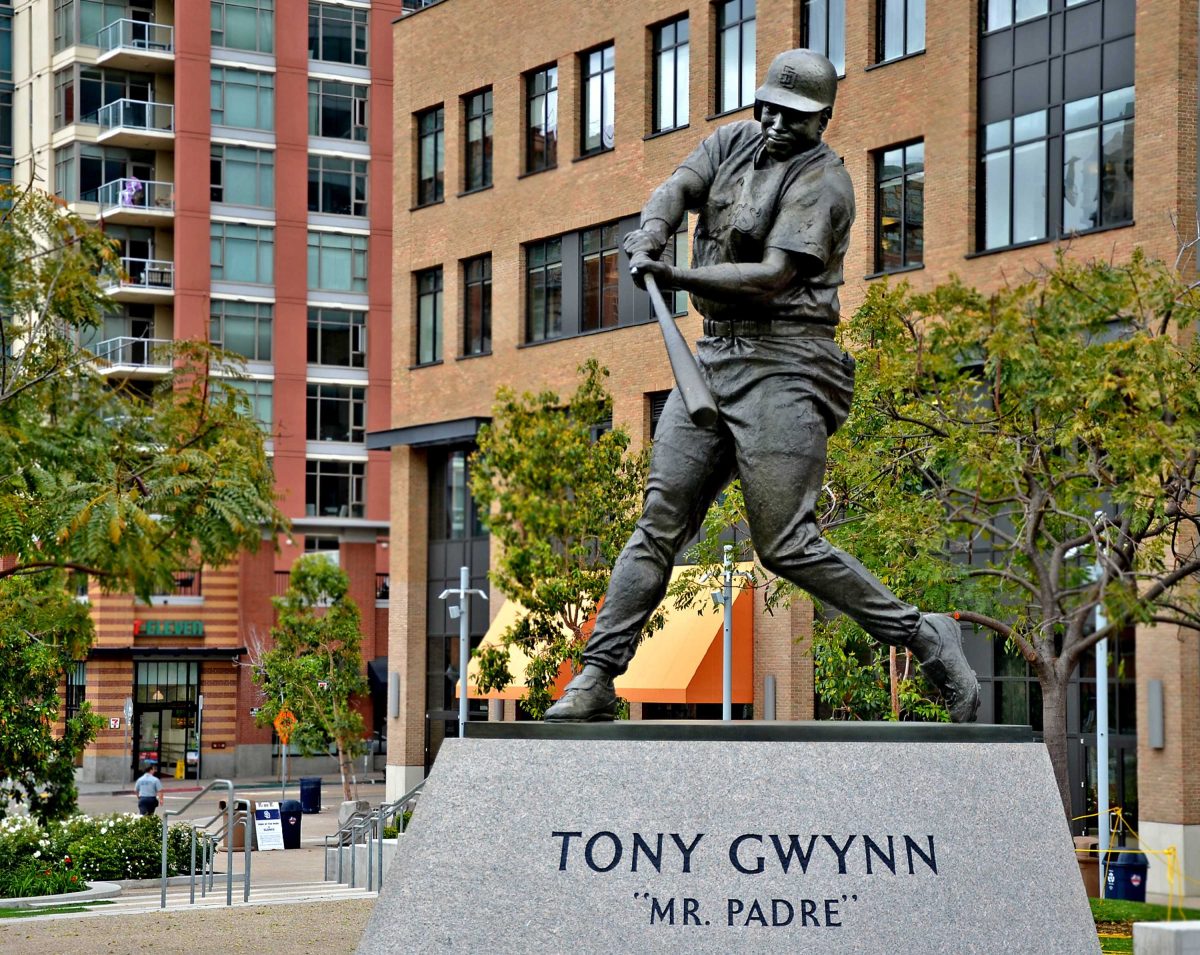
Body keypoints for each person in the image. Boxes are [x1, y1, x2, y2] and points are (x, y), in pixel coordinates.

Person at [544, 49, 980, 724]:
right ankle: (598, 675)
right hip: (714, 359)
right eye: (770, 106)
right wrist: (653, 232)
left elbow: (774, 274)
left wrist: (676, 276)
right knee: (659, 522)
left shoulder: (826, 183)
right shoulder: (732, 140)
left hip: (787, 363)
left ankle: (924, 633)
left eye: (796, 116)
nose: (776, 122)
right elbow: (676, 187)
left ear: (823, 120)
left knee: (785, 545)